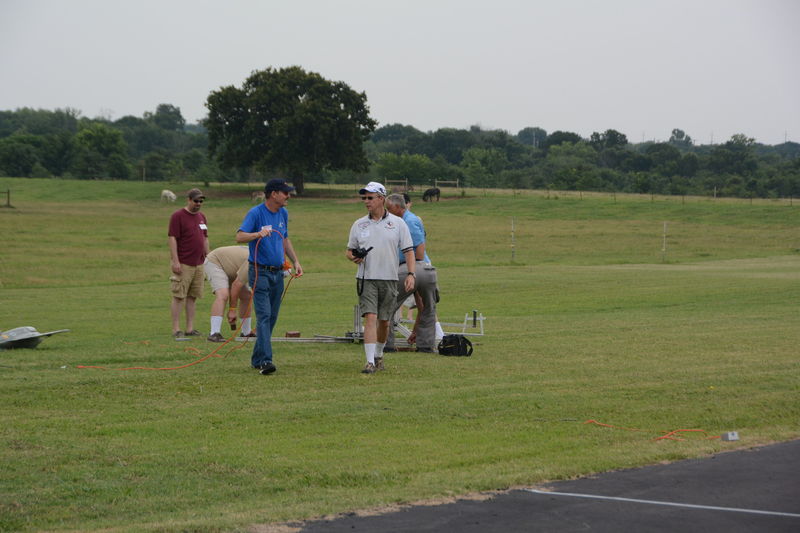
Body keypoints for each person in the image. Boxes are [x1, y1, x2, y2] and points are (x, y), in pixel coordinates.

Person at [346, 182, 415, 374]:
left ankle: (378, 355)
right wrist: (354, 257)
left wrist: (411, 274)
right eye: (364, 198)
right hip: (366, 278)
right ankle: (369, 362)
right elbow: (349, 251)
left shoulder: (398, 223)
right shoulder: (359, 224)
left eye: (370, 197)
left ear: (381, 199)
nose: (366, 201)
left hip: (389, 278)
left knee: (384, 321)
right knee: (370, 317)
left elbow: (408, 251)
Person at [236, 179, 303, 375]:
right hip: (259, 271)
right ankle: (266, 361)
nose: (288, 196)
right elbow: (239, 236)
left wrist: (295, 261)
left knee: (272, 317)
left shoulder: (283, 213)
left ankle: (257, 358)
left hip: (277, 273)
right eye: (285, 192)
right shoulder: (255, 213)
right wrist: (258, 234)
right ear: (274, 194)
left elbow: (285, 238)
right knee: (264, 315)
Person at [385, 193, 441, 352]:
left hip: (414, 267)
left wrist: (412, 270)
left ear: (397, 207)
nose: (387, 211)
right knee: (427, 308)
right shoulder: (405, 220)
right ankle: (425, 345)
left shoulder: (409, 221)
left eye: (389, 208)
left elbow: (420, 249)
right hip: (425, 270)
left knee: (387, 305)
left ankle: (386, 345)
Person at [168, 188, 210, 338]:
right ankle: (176, 329)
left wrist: (208, 258)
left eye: (201, 201)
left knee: (193, 296)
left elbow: (205, 238)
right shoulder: (178, 216)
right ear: (189, 200)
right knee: (179, 296)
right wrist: (175, 261)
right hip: (184, 263)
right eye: (196, 201)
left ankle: (190, 328)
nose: (198, 203)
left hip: (199, 263)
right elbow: (172, 238)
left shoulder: (201, 217)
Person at [203, 245, 254, 342]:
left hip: (233, 267)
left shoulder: (266, 261)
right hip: (215, 262)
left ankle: (246, 333)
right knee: (223, 294)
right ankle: (214, 333)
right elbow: (236, 286)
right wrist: (232, 310)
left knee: (247, 296)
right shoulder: (254, 261)